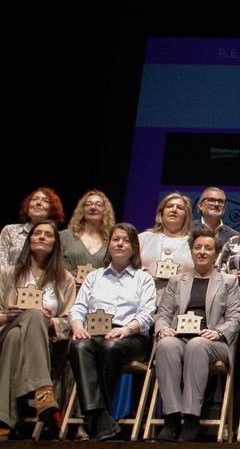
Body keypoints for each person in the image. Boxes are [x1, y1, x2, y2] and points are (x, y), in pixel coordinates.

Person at [67, 223, 156, 441]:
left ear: (134, 247)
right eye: (116, 239)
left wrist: (126, 329)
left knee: (111, 347)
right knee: (78, 345)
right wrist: (77, 325)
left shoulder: (143, 278)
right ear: (109, 245)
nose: (120, 244)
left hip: (131, 337)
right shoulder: (94, 276)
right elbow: (78, 307)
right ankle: (102, 417)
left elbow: (147, 314)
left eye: (126, 240)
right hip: (95, 332)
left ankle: (93, 418)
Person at [153, 228, 240, 442]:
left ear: (216, 253)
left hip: (213, 341)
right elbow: (163, 314)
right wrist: (163, 329)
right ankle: (172, 416)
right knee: (165, 345)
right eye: (198, 247)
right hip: (179, 336)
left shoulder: (229, 281)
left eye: (208, 248)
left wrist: (218, 332)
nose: (202, 252)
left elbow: (235, 318)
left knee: (197, 345)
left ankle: (192, 417)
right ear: (191, 251)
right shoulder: (177, 280)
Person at [0, 221, 76, 438]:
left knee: (22, 330)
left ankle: (4, 417)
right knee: (25, 319)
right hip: (5, 332)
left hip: (47, 346)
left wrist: (51, 322)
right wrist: (8, 315)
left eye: (48, 235)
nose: (42, 237)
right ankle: (43, 392)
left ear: (55, 243)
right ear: (29, 240)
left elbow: (69, 319)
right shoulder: (8, 274)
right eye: (37, 234)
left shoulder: (65, 278)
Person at [139, 193, 194, 303]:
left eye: (180, 208)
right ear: (161, 212)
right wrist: (141, 273)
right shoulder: (142, 239)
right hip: (143, 298)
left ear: (186, 215)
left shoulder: (194, 243)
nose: (174, 210)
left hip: (180, 301)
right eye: (169, 206)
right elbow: (127, 268)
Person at [0, 188, 65, 269]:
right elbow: (1, 263)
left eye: (45, 201)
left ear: (52, 210)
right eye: (34, 199)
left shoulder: (58, 236)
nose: (38, 203)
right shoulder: (10, 230)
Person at [61, 190, 116, 283]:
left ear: (105, 211)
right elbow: (52, 264)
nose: (93, 207)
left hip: (98, 293)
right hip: (66, 290)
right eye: (88, 204)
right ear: (82, 210)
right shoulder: (64, 236)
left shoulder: (111, 241)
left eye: (98, 204)